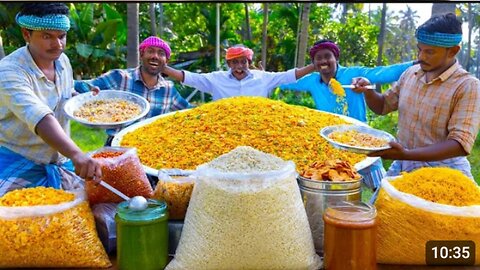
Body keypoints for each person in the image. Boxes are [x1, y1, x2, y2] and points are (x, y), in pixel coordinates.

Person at [353, 13, 480, 179]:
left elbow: (459, 144)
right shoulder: (411, 74)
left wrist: (406, 154)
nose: (421, 57)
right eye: (419, 50)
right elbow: (382, 106)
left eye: (430, 52)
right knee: (377, 205)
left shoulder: (467, 86)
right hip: (404, 166)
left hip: (445, 173)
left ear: (453, 51)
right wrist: (368, 91)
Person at [280, 40, 414, 189]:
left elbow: (382, 72)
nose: (323, 61)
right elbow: (286, 81)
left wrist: (415, 64)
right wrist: (264, 76)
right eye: (318, 58)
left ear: (336, 58)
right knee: (337, 185)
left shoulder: (353, 75)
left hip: (360, 140)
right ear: (314, 63)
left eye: (327, 56)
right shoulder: (312, 81)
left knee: (380, 187)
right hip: (331, 141)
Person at [0, 3, 102, 196]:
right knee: (17, 220)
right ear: (26, 35)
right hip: (18, 160)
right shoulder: (9, 71)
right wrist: (76, 154)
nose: (57, 44)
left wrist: (83, 101)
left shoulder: (62, 61)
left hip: (59, 160)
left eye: (61, 36)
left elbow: (62, 94)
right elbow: (39, 117)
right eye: (47, 36)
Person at [75, 36, 193, 145]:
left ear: (166, 61)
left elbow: (191, 113)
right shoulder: (120, 78)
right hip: (117, 146)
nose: (155, 56)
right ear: (142, 55)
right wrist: (83, 87)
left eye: (161, 53)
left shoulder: (168, 90)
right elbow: (87, 86)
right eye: (150, 51)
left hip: (150, 149)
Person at [161, 44, 316, 101]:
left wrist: (312, 67)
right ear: (229, 64)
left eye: (244, 62)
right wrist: (165, 69)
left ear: (249, 62)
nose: (239, 66)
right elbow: (190, 78)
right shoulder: (217, 78)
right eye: (235, 62)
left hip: (258, 129)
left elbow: (288, 76)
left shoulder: (262, 77)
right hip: (223, 130)